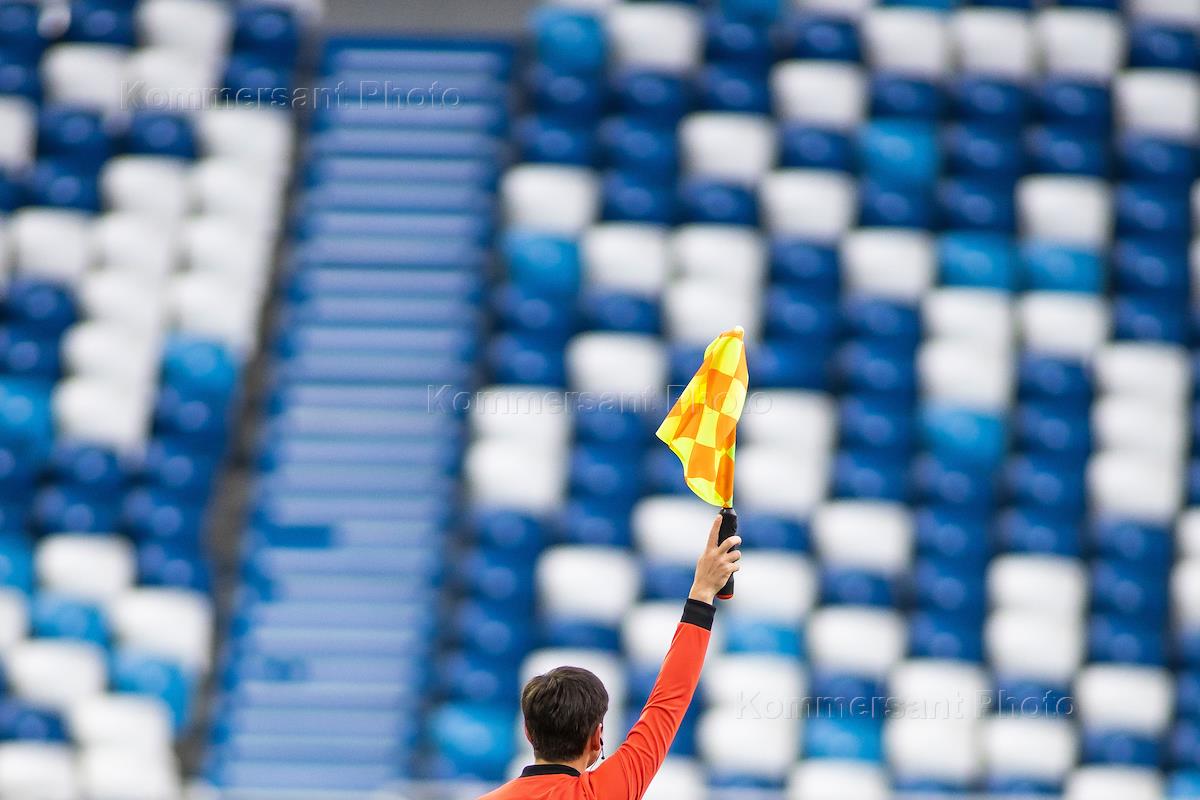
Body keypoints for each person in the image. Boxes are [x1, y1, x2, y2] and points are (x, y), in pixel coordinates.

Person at [479, 515, 741, 800]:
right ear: (596, 738)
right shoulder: (610, 790)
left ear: (528, 732)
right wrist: (702, 592)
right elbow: (668, 701)